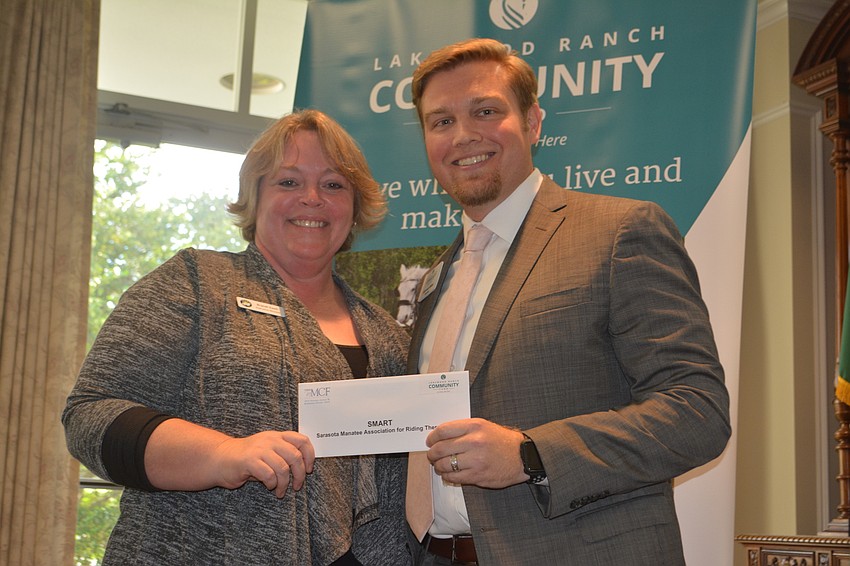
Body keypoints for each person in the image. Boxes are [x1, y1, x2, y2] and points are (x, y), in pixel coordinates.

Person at [404, 38, 731, 565]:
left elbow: (697, 414)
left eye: (485, 111)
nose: (463, 135)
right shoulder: (437, 278)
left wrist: (530, 454)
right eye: (440, 122)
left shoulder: (621, 231)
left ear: (533, 122)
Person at [63, 109, 411, 565]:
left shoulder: (388, 335)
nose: (312, 198)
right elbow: (90, 414)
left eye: (333, 184)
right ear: (255, 196)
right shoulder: (196, 282)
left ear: (354, 205)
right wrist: (222, 453)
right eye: (288, 182)